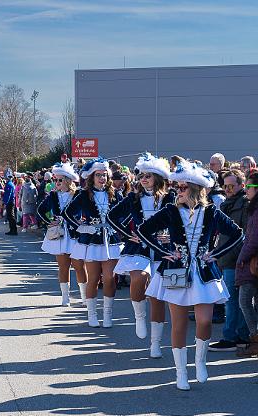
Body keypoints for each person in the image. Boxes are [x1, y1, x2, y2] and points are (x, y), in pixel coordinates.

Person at [138, 160, 243, 391]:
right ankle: (181, 372)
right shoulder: (170, 211)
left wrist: (215, 254)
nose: (178, 191)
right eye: (177, 187)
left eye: (183, 187)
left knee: (205, 321)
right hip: (176, 271)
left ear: (196, 189)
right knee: (179, 324)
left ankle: (200, 361)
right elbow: (143, 230)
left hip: (204, 272)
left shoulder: (212, 212)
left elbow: (237, 234)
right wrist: (165, 252)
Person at [107, 153, 174, 357]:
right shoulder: (133, 198)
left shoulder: (170, 197)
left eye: (148, 176)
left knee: (157, 298)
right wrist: (129, 235)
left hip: (163, 250)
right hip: (139, 248)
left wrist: (170, 235)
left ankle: (155, 344)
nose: (143, 179)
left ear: (158, 177)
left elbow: (181, 220)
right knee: (138, 277)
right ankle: (138, 315)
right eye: (141, 176)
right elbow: (111, 217)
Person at [63, 158, 123, 328]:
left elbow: (125, 214)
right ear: (91, 177)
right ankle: (92, 314)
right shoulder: (83, 195)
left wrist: (121, 228)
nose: (102, 178)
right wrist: (81, 227)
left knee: (110, 278)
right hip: (92, 240)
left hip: (111, 240)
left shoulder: (115, 194)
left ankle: (108, 314)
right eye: (98, 175)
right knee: (94, 279)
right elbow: (67, 213)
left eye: (104, 175)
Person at [209, 169, 250, 352]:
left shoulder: (244, 204)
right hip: (229, 258)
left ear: (242, 185)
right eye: (225, 186)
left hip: (237, 259)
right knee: (235, 301)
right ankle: (239, 336)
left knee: (233, 301)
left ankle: (232, 337)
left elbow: (245, 235)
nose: (228, 189)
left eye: (232, 186)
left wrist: (238, 256)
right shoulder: (228, 203)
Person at [38, 162, 87, 306]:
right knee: (63, 266)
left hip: (76, 235)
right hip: (59, 235)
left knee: (79, 266)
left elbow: (88, 210)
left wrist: (84, 221)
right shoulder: (53, 196)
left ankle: (84, 296)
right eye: (55, 179)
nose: (56, 182)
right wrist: (48, 222)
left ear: (67, 180)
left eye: (59, 180)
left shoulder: (78, 194)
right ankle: (65, 297)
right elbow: (40, 210)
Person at [235, 173, 258, 356]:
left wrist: (241, 258)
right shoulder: (253, 207)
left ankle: (255, 339)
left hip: (252, 262)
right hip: (252, 261)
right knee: (251, 302)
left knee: (244, 301)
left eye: (248, 187)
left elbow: (253, 240)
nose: (245, 190)